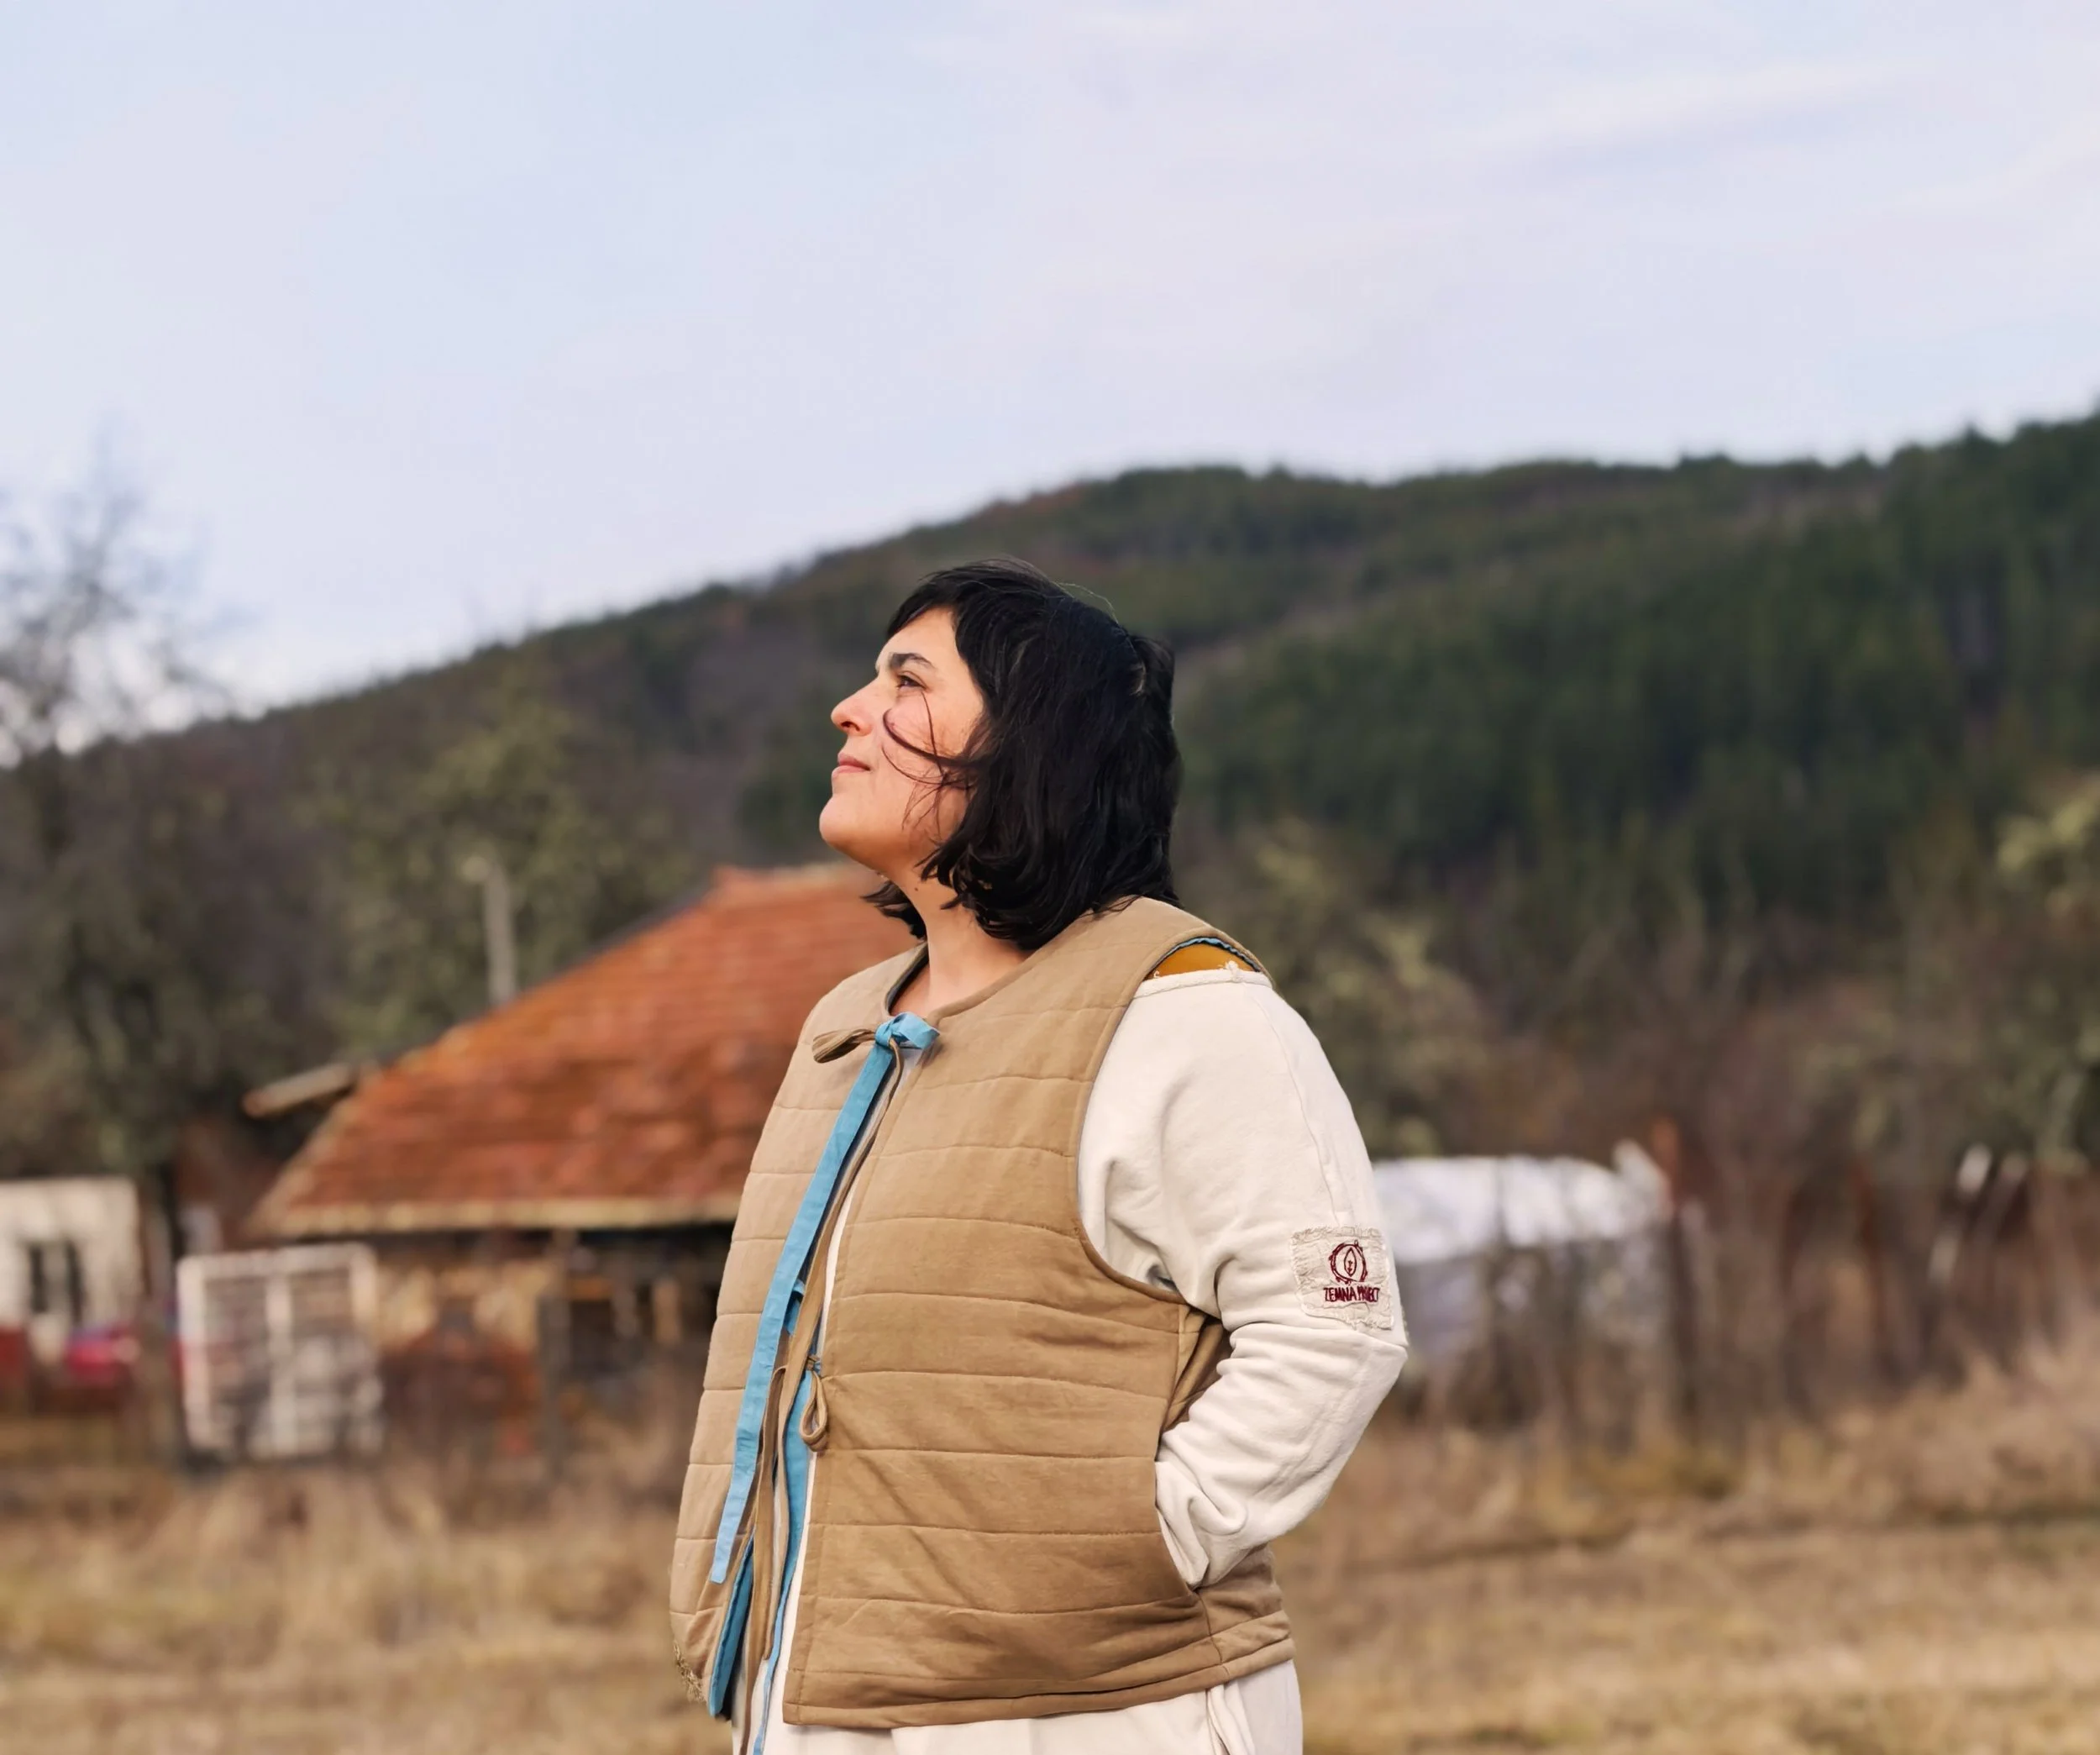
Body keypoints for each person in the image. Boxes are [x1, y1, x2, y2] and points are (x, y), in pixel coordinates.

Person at [670, 559, 1407, 1755]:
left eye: (907, 683)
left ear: (1030, 744)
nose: (848, 710)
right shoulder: (846, 1029)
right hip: (822, 1711)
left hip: (1095, 1716)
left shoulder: (1186, 1014)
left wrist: (1130, 1547)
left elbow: (1336, 1329)